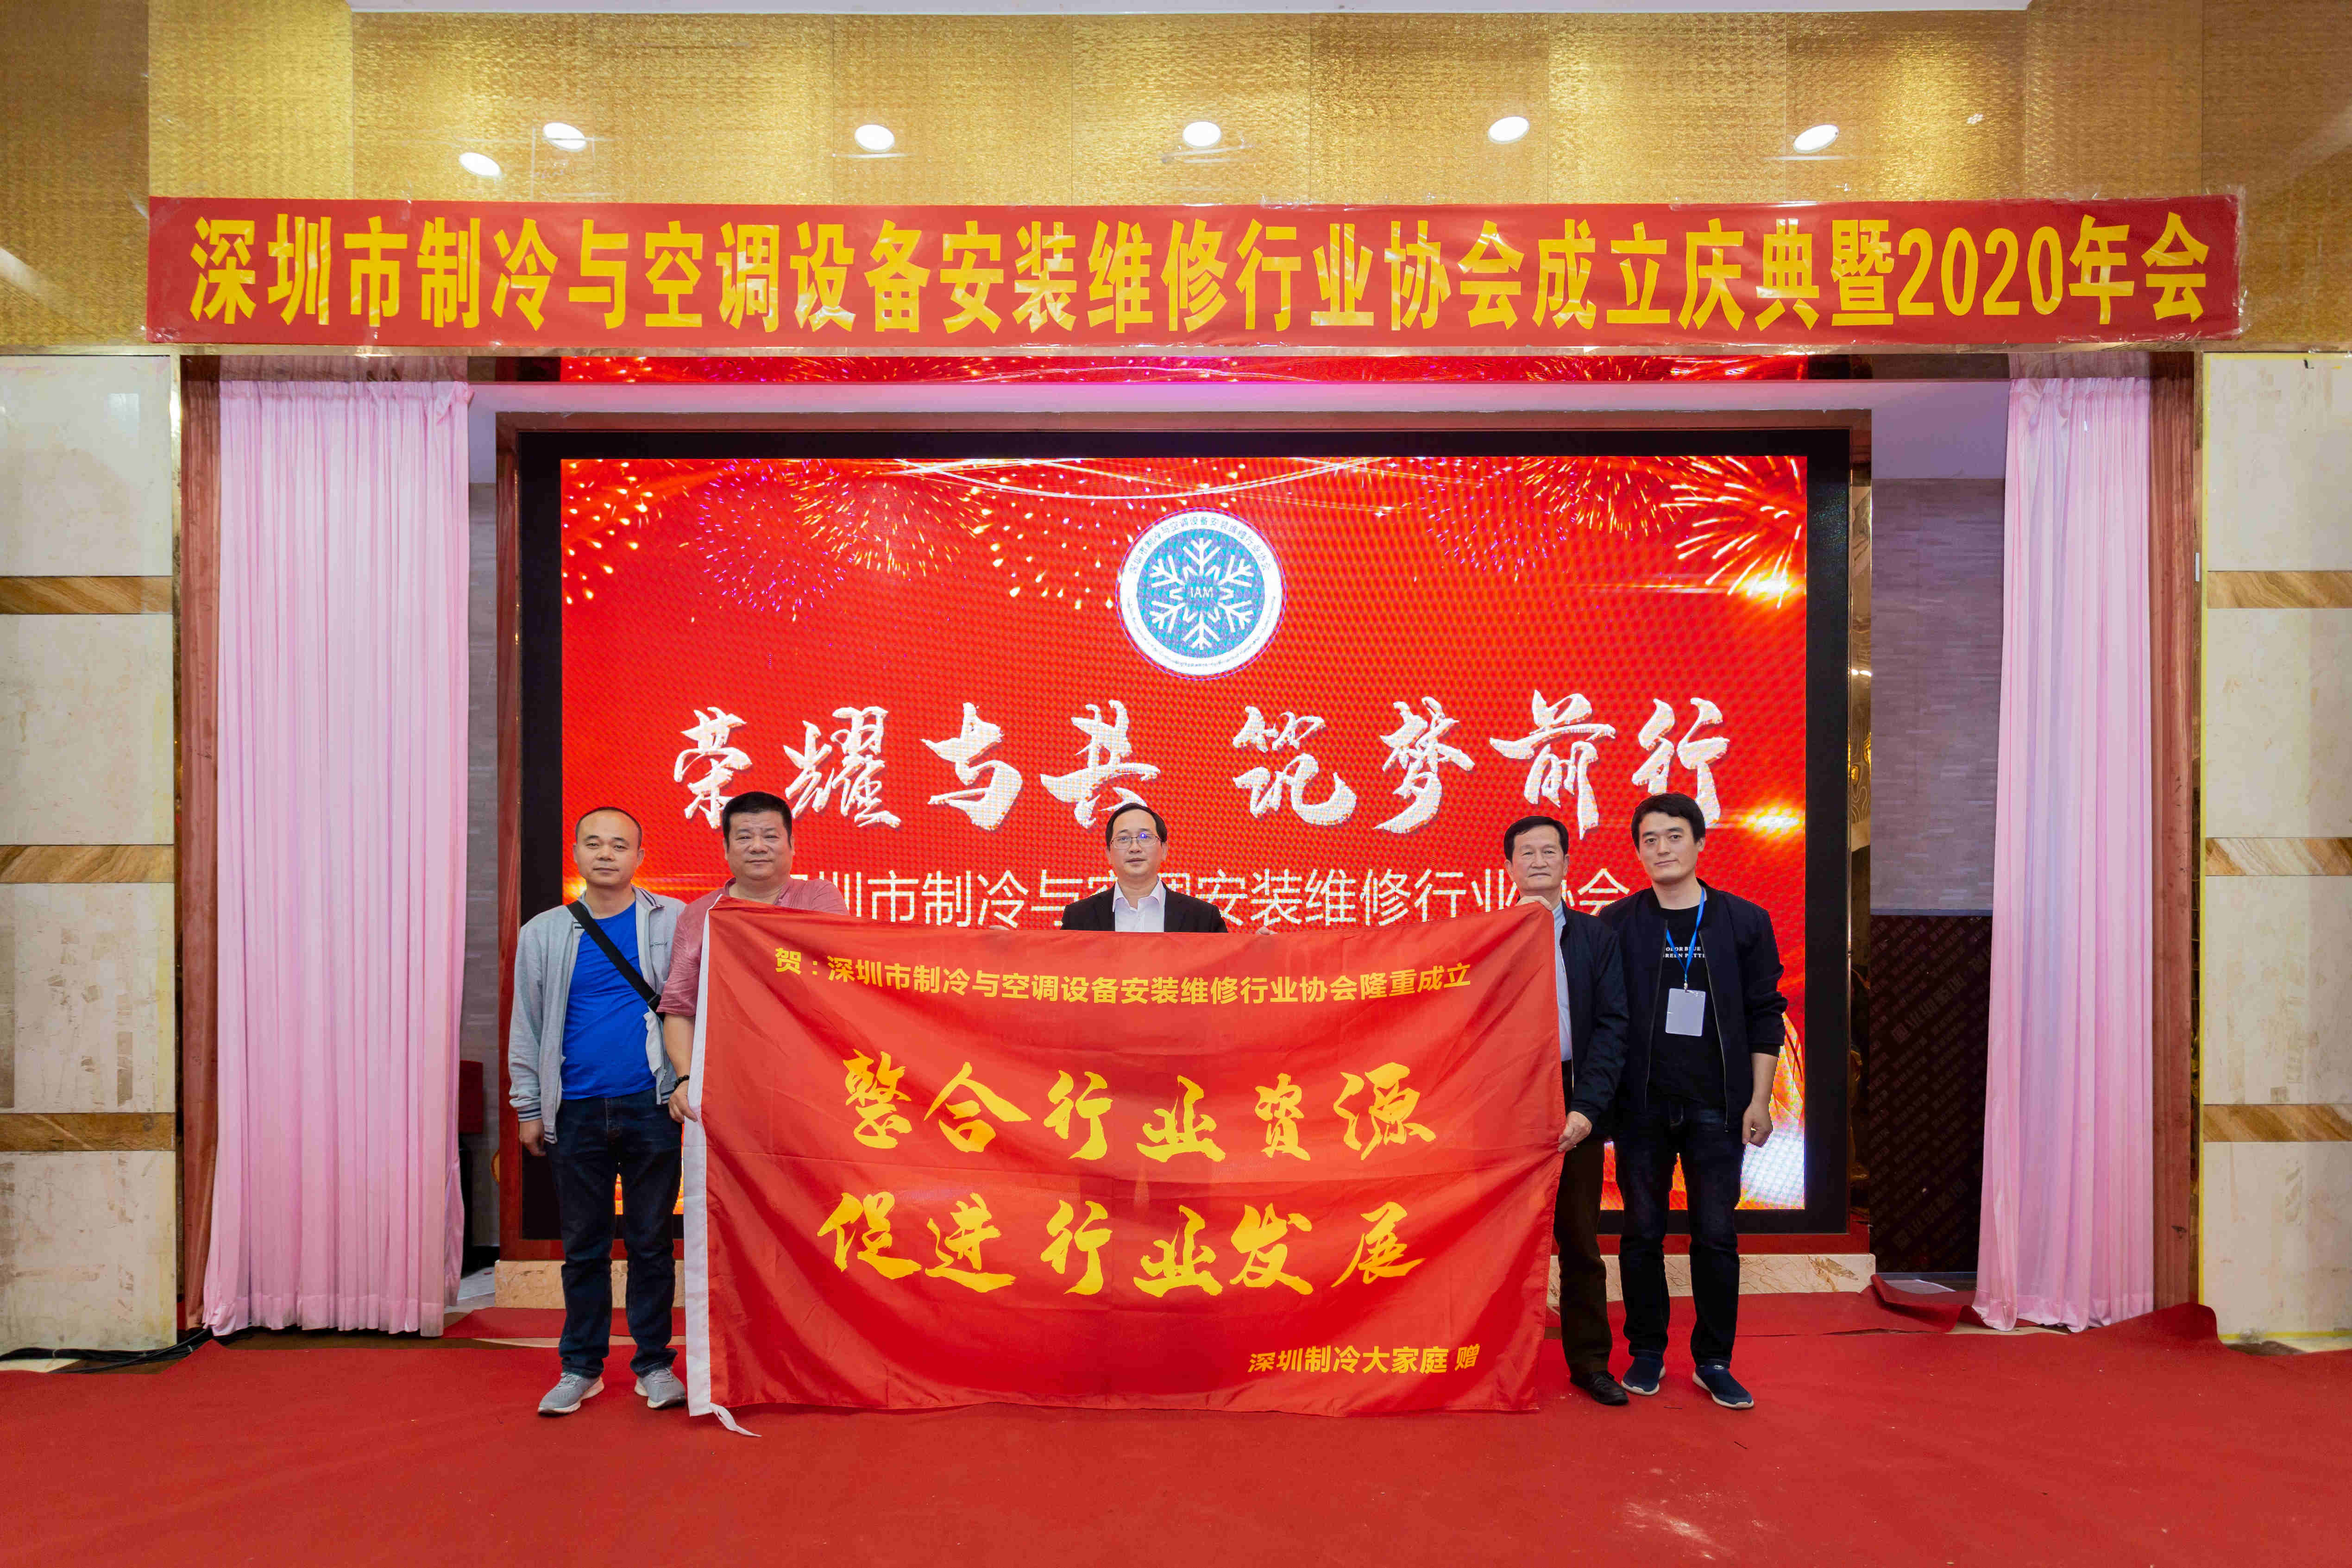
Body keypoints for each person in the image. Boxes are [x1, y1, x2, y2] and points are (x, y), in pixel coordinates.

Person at [1597, 792, 1788, 1411]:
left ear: (1700, 842)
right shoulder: (1617, 923)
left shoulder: (1743, 921)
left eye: (1674, 836)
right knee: (1640, 1233)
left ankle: (1713, 1360)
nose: (1661, 849)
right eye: (1649, 839)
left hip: (1718, 1108)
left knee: (1715, 1235)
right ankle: (1646, 1349)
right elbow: (1604, 1017)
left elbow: (1765, 1015)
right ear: (1637, 851)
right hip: (1641, 1109)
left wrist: (1758, 1100)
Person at [508, 806, 687, 1417]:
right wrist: (529, 1107)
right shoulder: (544, 932)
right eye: (593, 843)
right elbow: (528, 1024)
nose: (605, 853)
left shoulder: (672, 920)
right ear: (577, 854)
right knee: (584, 1247)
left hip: (651, 1105)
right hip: (575, 1110)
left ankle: (654, 1365)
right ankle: (580, 1367)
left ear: (640, 856)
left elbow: (695, 1003)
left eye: (619, 844)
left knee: (651, 1243)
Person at [1503, 813, 1631, 1407]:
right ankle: (1498, 1359)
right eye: (1526, 852)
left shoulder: (1594, 937)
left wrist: (1586, 1108)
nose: (1537, 860)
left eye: (1548, 851)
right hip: (1504, 1102)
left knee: (1578, 1239)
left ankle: (1589, 1363)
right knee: (1502, 1241)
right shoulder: (1486, 935)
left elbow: (1612, 1027)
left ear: (1565, 862)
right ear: (1509, 866)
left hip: (1572, 1094)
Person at [660, 790, 849, 1122]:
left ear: (792, 844)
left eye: (771, 836)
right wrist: (685, 1078)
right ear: (726, 848)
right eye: (745, 837)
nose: (758, 846)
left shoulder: (818, 897)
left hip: (813, 1078)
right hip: (730, 1083)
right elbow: (680, 1008)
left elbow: (842, 977)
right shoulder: (699, 915)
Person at [1058, 803, 1229, 932]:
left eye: (1145, 837)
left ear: (1164, 850)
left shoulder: (1203, 918)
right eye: (1123, 839)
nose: (1135, 848)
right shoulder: (1078, 919)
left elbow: (1226, 967)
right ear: (1109, 854)